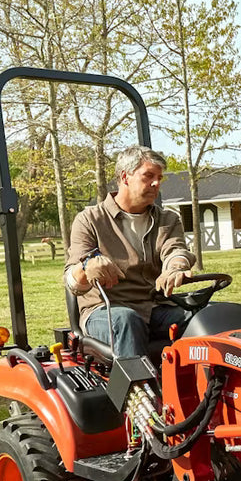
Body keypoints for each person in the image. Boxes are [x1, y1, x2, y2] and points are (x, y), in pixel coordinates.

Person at [64, 145, 195, 359]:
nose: (156, 183)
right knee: (126, 320)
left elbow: (176, 251)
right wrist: (87, 267)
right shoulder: (90, 220)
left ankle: (214, 388)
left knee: (211, 315)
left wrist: (174, 268)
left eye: (159, 178)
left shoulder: (167, 219)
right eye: (148, 176)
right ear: (125, 177)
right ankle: (137, 390)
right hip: (104, 311)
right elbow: (72, 281)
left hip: (155, 307)